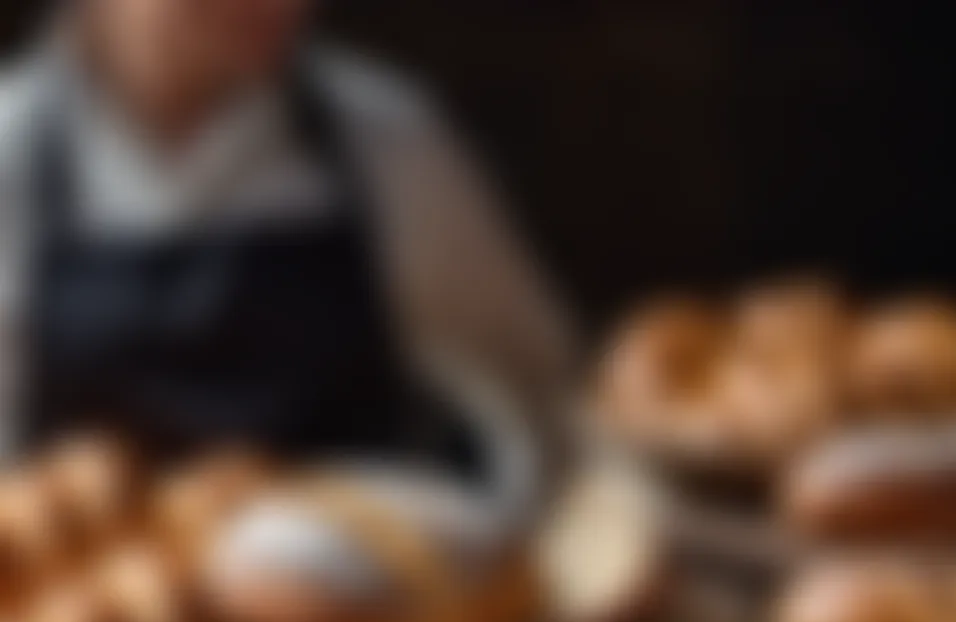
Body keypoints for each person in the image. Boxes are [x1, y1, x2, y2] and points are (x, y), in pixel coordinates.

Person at [0, 0, 572, 524]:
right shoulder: (13, 149)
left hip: (369, 619)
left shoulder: (388, 139)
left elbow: (543, 404)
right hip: (77, 620)